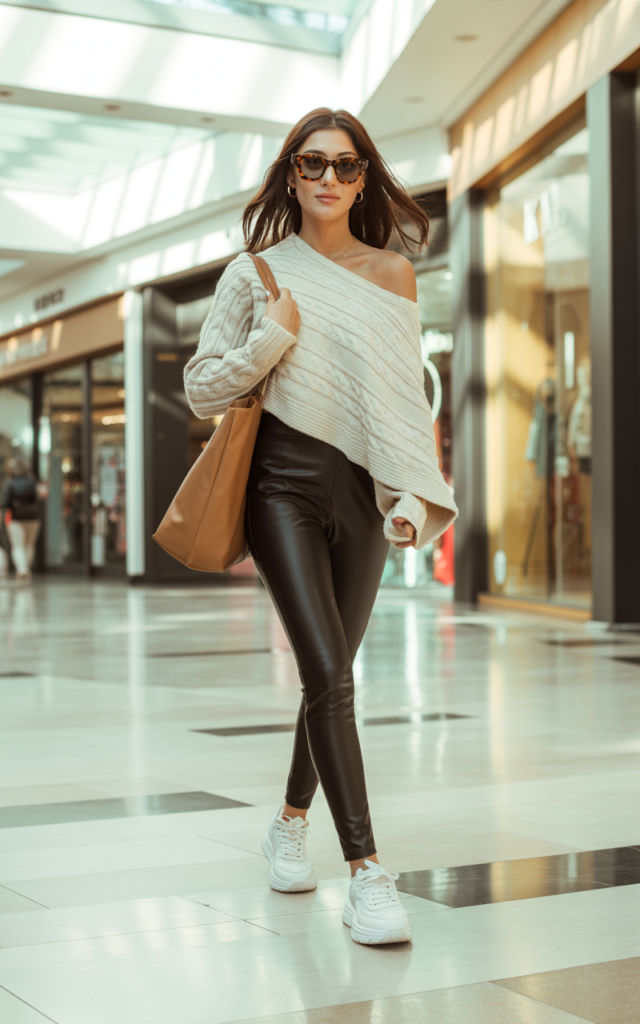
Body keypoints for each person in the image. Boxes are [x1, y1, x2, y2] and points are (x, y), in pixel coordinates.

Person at [184, 108, 458, 946]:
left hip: (362, 501)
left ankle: (289, 822)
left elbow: (403, 407)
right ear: (291, 175)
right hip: (280, 493)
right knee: (332, 677)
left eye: (344, 166)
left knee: (325, 678)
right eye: (312, 165)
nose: (328, 180)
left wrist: (411, 494)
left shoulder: (393, 273)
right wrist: (270, 340)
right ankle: (368, 873)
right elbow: (200, 388)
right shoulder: (254, 274)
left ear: (364, 176)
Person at [1, 457, 41, 582]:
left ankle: (22, 569)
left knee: (18, 545)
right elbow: (40, 496)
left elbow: (5, 503)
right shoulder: (32, 481)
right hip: (33, 517)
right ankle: (26, 568)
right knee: (29, 545)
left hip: (16, 518)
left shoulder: (10, 484)